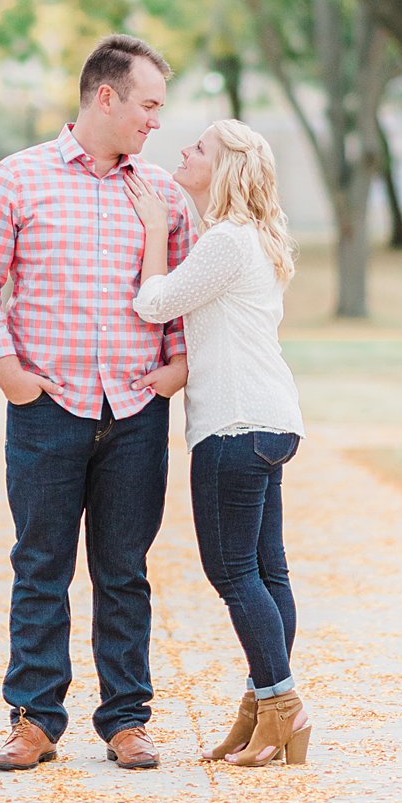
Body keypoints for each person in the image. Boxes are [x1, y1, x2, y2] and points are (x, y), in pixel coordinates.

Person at [0, 34, 195, 772]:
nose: (156, 122)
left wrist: (177, 367)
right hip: (45, 411)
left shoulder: (163, 195)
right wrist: (11, 377)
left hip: (133, 411)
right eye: (148, 106)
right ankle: (33, 721)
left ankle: (127, 721)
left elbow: (186, 293)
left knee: (123, 569)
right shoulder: (16, 180)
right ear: (106, 97)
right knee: (41, 566)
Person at [126, 118, 311, 767]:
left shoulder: (226, 242)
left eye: (198, 147)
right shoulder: (256, 239)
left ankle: (282, 704)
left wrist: (153, 234)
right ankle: (263, 711)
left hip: (232, 424)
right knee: (267, 571)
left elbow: (154, 303)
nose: (184, 151)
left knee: (231, 571)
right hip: (272, 420)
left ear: (224, 168)